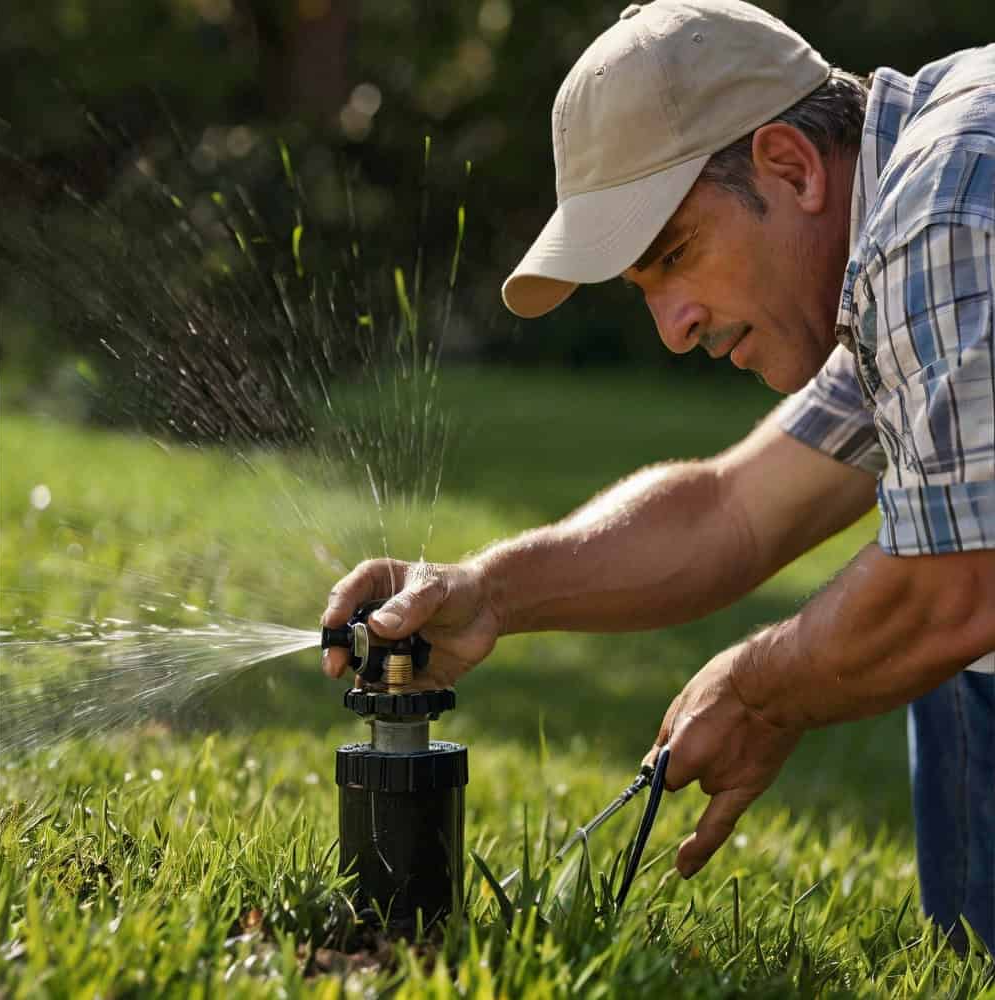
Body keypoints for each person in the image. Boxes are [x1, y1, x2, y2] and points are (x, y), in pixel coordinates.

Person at [323, 0, 995, 952]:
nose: (674, 327)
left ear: (792, 166)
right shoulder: (892, 243)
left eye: (675, 256)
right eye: (645, 289)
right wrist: (487, 591)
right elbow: (733, 510)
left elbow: (959, 585)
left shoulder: (949, 202)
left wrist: (763, 688)